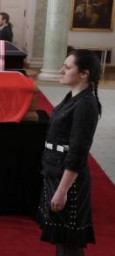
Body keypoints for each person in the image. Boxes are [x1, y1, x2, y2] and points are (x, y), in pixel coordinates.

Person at [37, 49, 102, 256]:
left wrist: (63, 190)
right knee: (61, 236)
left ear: (84, 73)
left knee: (69, 242)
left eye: (67, 67)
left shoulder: (85, 105)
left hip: (68, 181)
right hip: (56, 171)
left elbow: (78, 152)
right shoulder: (73, 97)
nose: (60, 70)